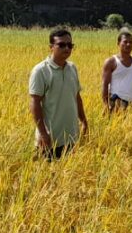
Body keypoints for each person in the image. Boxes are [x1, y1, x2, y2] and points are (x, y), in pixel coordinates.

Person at [29, 28, 88, 160]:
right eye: (61, 45)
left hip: (71, 136)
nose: (66, 48)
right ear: (51, 47)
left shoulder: (72, 68)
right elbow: (35, 103)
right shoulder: (41, 71)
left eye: (69, 45)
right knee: (46, 178)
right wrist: (43, 134)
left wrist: (84, 121)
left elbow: (77, 97)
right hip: (50, 138)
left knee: (68, 178)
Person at [102, 31, 132, 112]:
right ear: (118, 43)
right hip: (115, 104)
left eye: (131, 42)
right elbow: (105, 84)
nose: (128, 44)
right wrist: (106, 105)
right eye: (125, 42)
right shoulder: (111, 62)